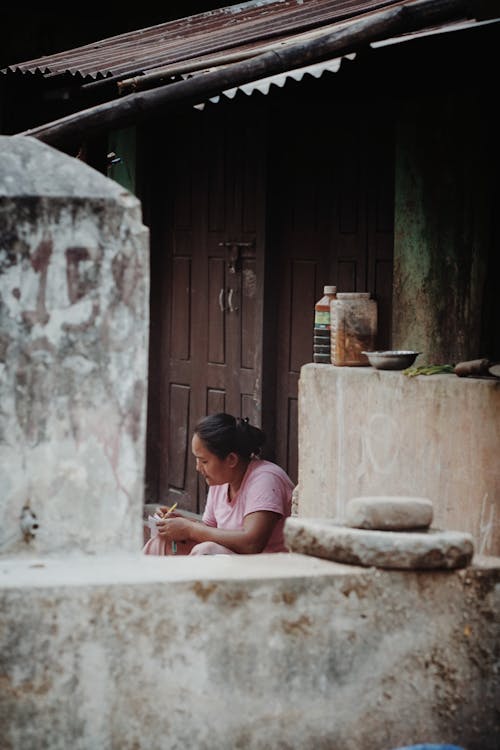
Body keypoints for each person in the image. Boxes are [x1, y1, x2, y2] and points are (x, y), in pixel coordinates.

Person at [143, 413, 294, 556]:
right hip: (234, 560)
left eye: (204, 461)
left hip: (267, 568)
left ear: (231, 460)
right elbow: (209, 530)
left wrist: (190, 529)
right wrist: (180, 523)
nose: (198, 468)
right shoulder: (220, 481)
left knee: (207, 552)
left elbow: (252, 544)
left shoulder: (265, 479)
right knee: (161, 543)